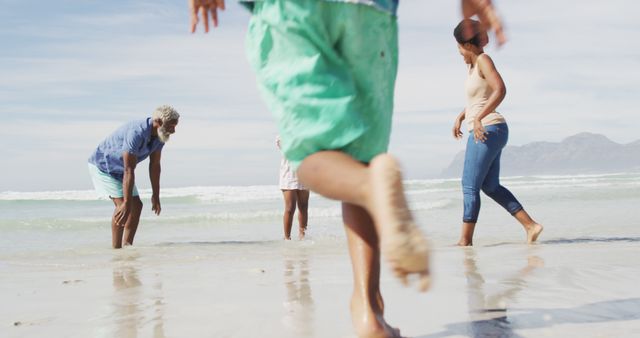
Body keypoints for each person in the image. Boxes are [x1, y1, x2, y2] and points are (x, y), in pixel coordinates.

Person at [189, 1, 505, 337]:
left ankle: (371, 189)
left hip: (295, 10)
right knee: (359, 159)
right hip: (372, 15)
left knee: (312, 152)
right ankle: (371, 315)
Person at [452, 19, 543, 247]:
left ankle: (465, 241)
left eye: (460, 48)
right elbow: (479, 98)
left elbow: (500, 89)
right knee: (490, 185)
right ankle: (530, 226)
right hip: (492, 128)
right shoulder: (473, 67)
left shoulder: (483, 60)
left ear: (468, 44)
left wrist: (479, 118)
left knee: (469, 185)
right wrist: (462, 115)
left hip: (488, 128)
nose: (459, 53)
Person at [88, 105, 180, 249]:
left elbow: (155, 165)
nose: (173, 131)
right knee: (124, 207)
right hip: (103, 166)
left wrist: (156, 195)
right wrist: (125, 202)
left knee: (137, 206)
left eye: (175, 126)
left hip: (122, 170)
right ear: (158, 122)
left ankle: (127, 248)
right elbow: (129, 169)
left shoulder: (160, 137)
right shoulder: (136, 132)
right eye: (171, 126)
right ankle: (116, 251)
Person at [277, 135, 310, 240]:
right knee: (290, 208)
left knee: (303, 206)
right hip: (289, 174)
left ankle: (302, 236)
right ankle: (287, 238)